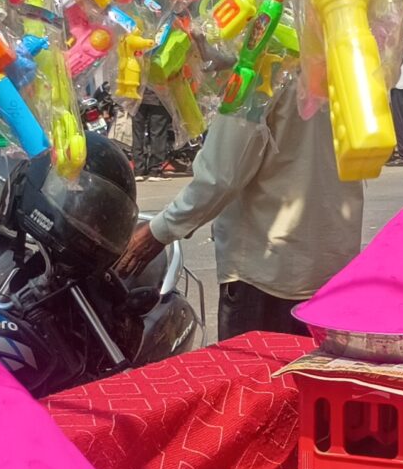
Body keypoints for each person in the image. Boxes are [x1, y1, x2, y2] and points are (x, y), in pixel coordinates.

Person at [113, 84, 364, 337]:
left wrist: (158, 232)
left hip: (266, 271)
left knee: (260, 363)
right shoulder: (347, 64)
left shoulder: (260, 68)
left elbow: (221, 175)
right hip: (336, 263)